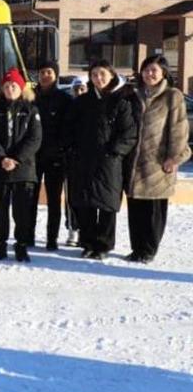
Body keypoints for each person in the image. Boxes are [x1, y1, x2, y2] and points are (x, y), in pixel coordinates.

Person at [67, 61, 137, 260]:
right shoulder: (81, 102)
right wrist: (71, 150)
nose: (99, 78)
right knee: (84, 203)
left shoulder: (120, 101)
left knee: (106, 205)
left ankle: (104, 245)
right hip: (83, 160)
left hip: (109, 162)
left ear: (111, 75)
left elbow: (129, 133)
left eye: (102, 74)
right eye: (95, 74)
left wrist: (114, 152)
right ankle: (88, 242)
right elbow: (69, 128)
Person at [125, 55, 190, 264]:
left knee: (153, 211)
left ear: (163, 73)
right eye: (146, 70)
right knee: (135, 208)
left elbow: (179, 129)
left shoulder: (172, 96)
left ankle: (149, 249)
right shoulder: (135, 95)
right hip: (134, 162)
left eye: (154, 70)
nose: (149, 74)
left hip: (158, 163)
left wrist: (174, 157)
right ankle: (137, 248)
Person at [0, 69, 43, 263]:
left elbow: (34, 139)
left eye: (14, 86)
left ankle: (21, 246)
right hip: (0, 168)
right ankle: (0, 245)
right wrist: (2, 157)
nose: (10, 89)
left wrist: (16, 159)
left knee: (22, 211)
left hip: (23, 169)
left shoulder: (31, 110)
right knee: (1, 210)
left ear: (21, 88)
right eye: (7, 86)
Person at [33, 60, 74, 250]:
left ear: (56, 75)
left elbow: (69, 129)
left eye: (49, 72)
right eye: (42, 72)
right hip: (32, 157)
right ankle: (27, 235)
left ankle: (51, 238)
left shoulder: (64, 99)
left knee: (54, 200)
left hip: (56, 157)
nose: (45, 75)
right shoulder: (30, 98)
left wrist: (61, 150)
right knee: (29, 199)